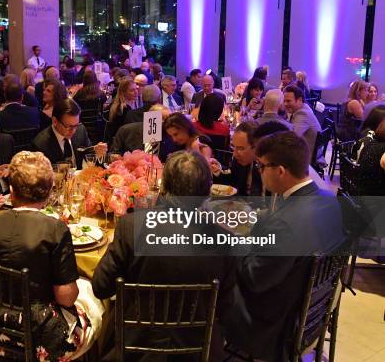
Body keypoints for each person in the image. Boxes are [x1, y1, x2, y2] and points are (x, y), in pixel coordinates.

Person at [93, 150, 236, 361]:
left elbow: (100, 286)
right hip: (198, 350)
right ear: (207, 192)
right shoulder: (223, 237)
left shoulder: (133, 226)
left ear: (163, 187)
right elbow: (227, 307)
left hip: (135, 347)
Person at [224, 131, 343, 361]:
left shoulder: (285, 224)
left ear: (280, 171)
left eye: (261, 166)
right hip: (311, 309)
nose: (259, 171)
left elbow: (254, 279)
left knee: (211, 282)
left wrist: (234, 241)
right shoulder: (328, 200)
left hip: (273, 322)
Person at [0, 151, 102, 360]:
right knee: (93, 299)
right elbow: (65, 298)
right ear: (48, 193)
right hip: (39, 339)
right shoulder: (55, 228)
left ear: (11, 190)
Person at [33, 98, 107, 169]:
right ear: (55, 121)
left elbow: (89, 156)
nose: (73, 131)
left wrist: (98, 154)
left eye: (76, 125)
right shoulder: (41, 144)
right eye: (68, 126)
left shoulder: (80, 131)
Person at [209, 121, 262, 196]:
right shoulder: (238, 160)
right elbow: (232, 180)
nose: (235, 154)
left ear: (256, 147)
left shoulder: (267, 170)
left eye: (240, 148)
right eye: (234, 147)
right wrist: (218, 170)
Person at [283, 84, 321, 153]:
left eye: (288, 101)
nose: (285, 104)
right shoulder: (303, 108)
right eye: (284, 101)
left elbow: (292, 138)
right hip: (305, 151)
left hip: (305, 157)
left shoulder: (303, 114)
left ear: (300, 100)